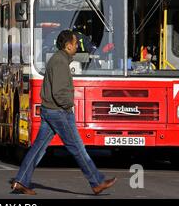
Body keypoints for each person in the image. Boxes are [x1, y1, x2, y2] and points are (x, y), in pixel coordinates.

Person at [10, 30, 117, 195]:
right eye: (75, 43)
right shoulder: (60, 62)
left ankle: (20, 181)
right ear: (68, 46)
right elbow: (59, 92)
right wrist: (68, 106)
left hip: (50, 111)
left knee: (38, 148)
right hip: (59, 112)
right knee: (78, 148)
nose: (77, 45)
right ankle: (97, 182)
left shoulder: (59, 59)